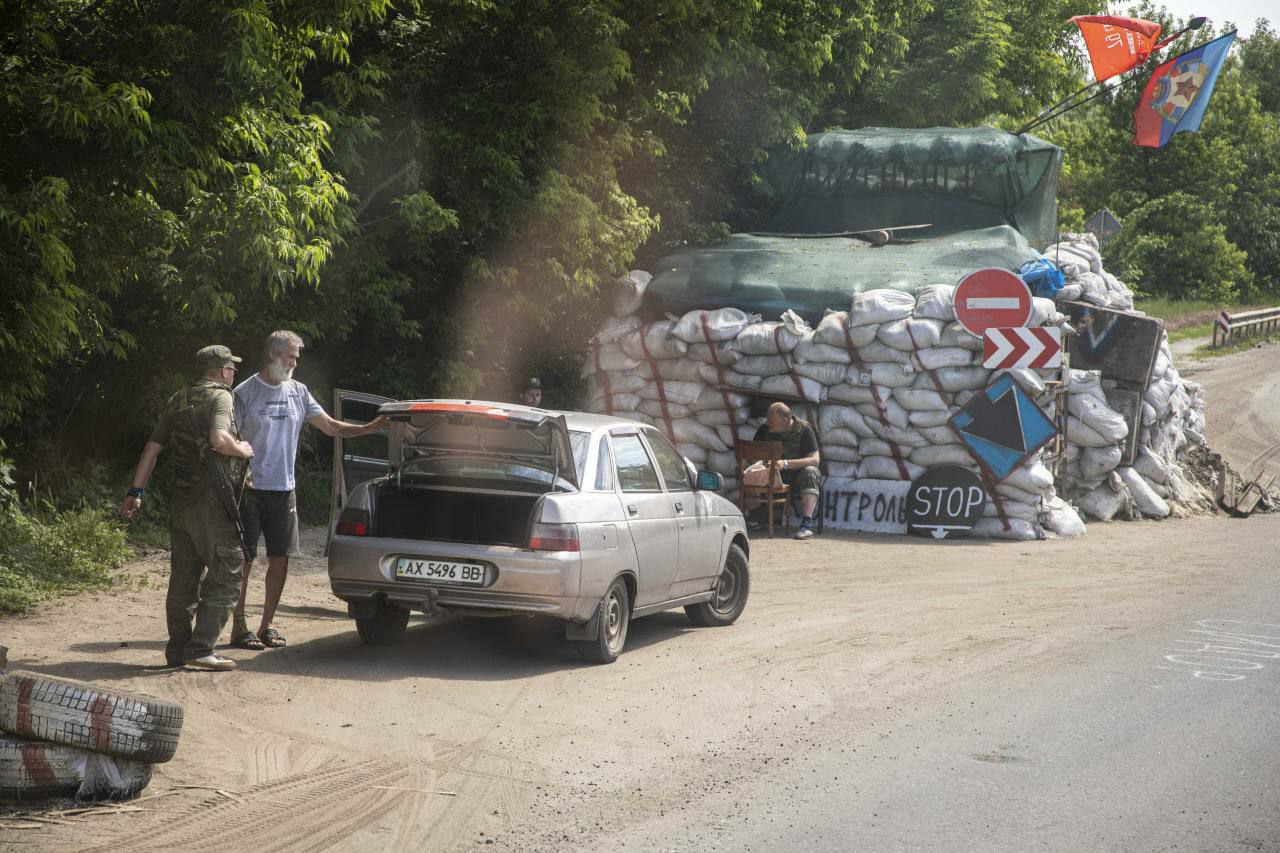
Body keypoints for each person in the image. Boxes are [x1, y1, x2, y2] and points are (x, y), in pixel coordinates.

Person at [230, 330, 388, 651]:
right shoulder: (244, 392)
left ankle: (267, 625)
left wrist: (369, 428)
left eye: (297, 357)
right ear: (273, 355)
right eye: (291, 356)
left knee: (281, 559)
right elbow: (227, 437)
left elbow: (330, 426)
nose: (295, 362)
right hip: (249, 489)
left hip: (284, 490)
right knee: (244, 560)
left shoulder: (299, 392)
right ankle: (239, 625)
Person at [119, 345, 255, 671]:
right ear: (223, 371)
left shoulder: (177, 399)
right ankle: (202, 648)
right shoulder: (222, 397)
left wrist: (135, 492)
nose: (234, 374)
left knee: (183, 580)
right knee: (228, 572)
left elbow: (152, 449)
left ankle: (178, 648)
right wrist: (243, 449)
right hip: (213, 502)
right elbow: (219, 439)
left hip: (182, 501)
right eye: (232, 369)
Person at [747, 402, 822, 540]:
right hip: (771, 475)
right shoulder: (764, 430)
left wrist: (785, 464)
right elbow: (753, 456)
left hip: (796, 476)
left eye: (771, 421)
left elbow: (814, 460)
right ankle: (756, 516)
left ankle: (806, 524)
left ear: (786, 420)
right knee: (742, 471)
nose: (768, 424)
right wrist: (761, 464)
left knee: (811, 472)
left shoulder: (804, 430)